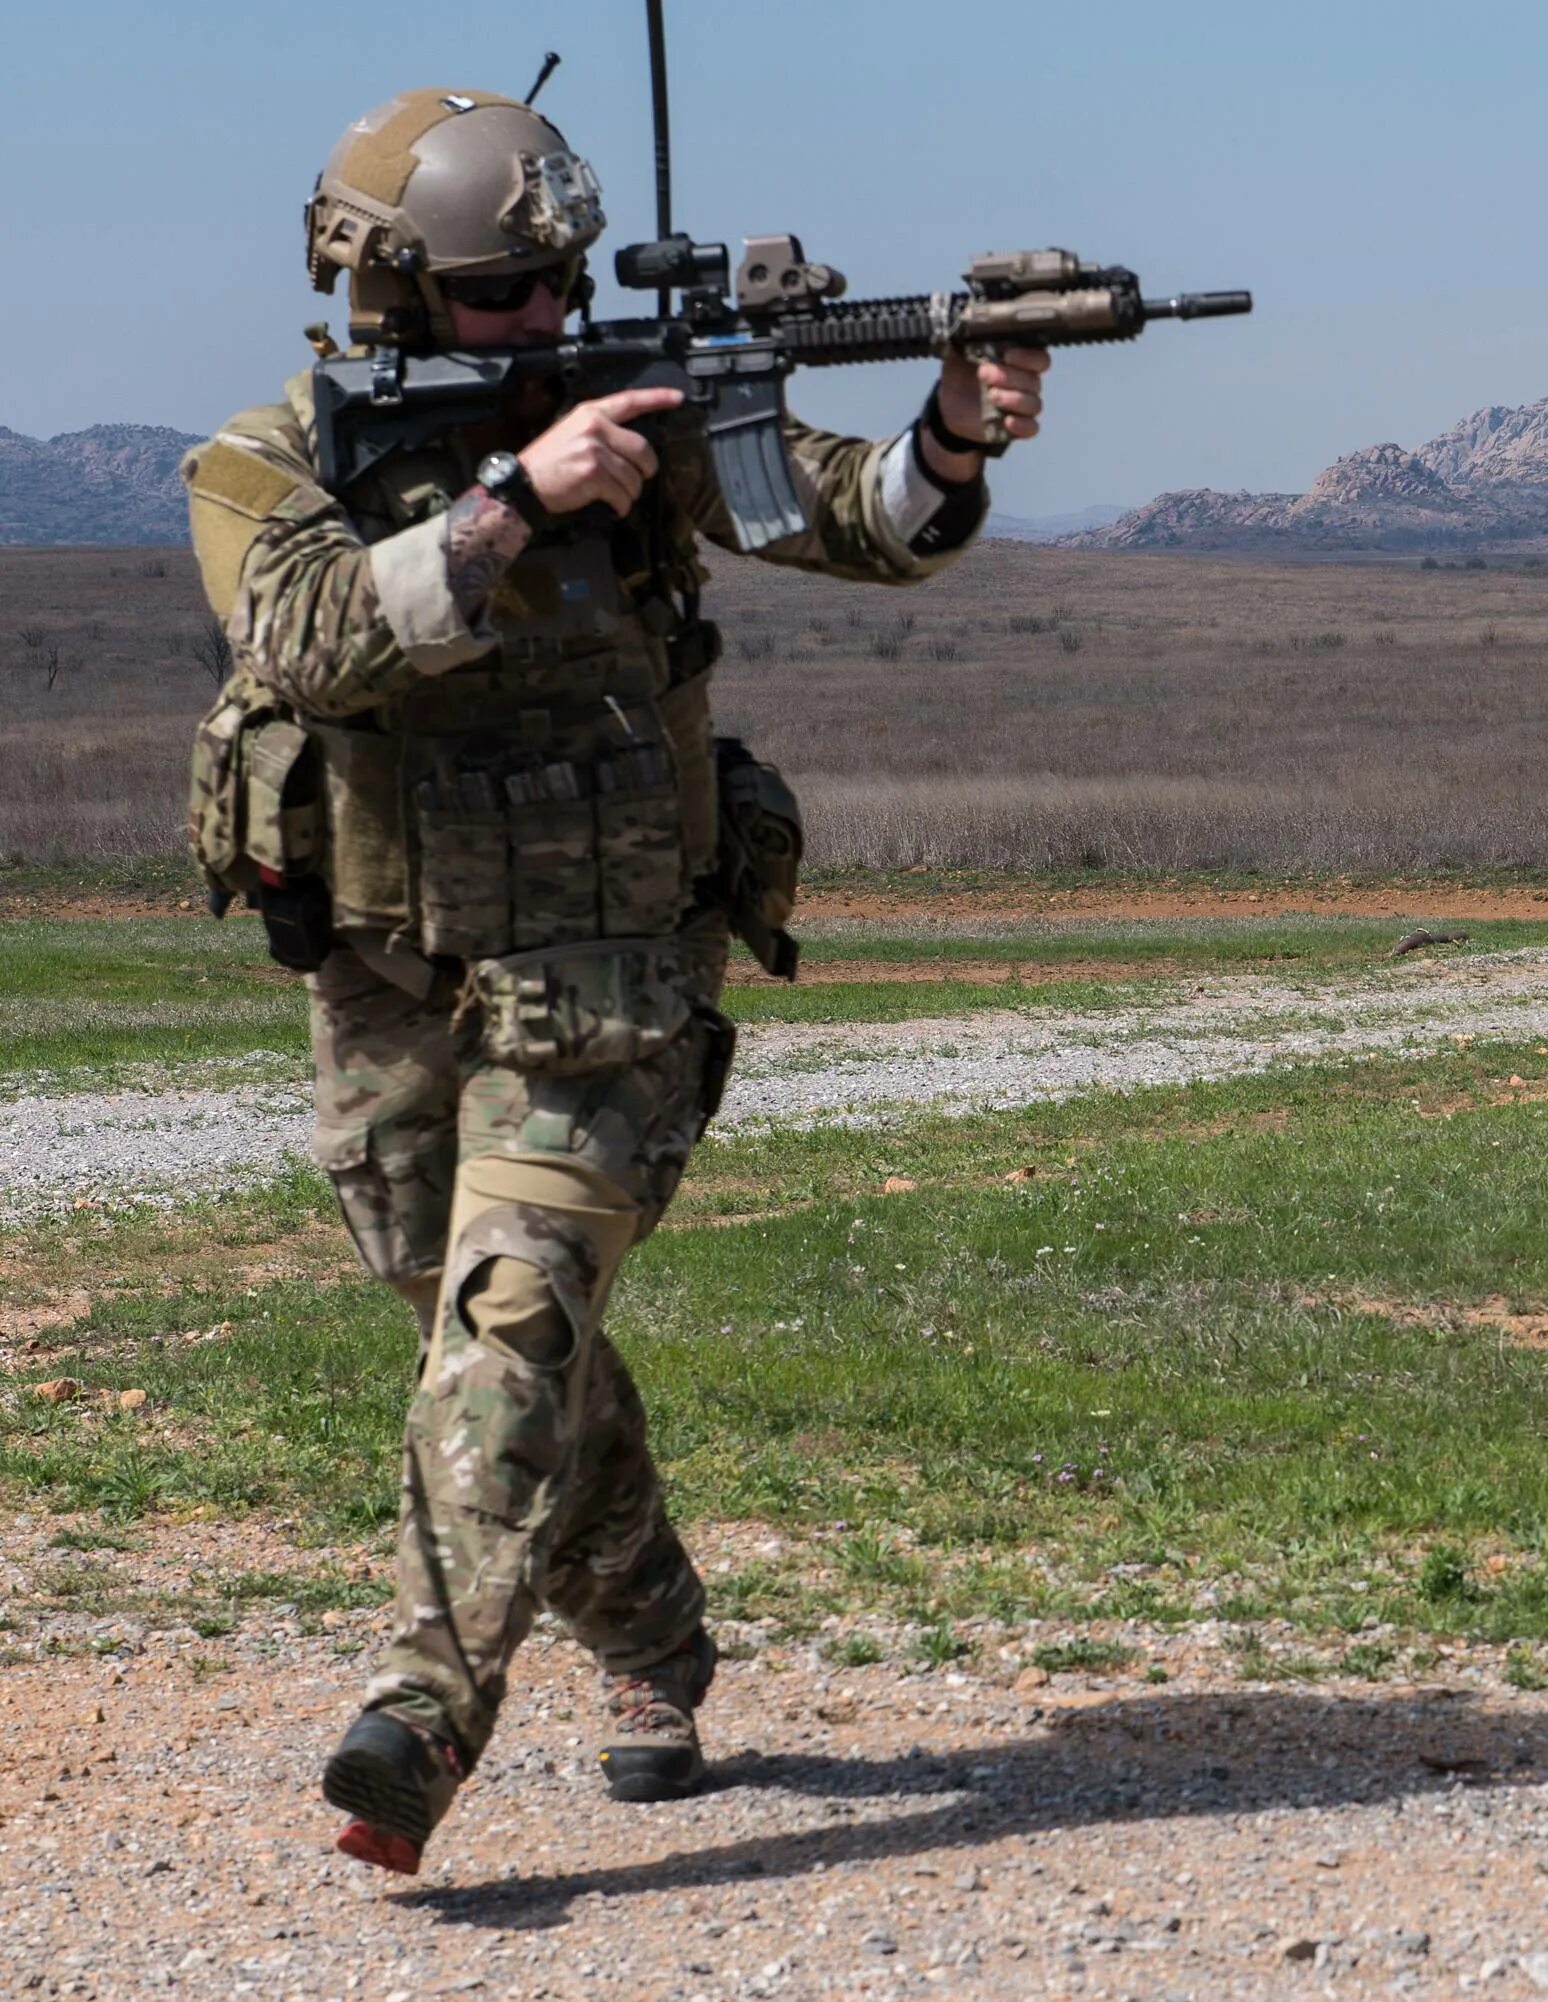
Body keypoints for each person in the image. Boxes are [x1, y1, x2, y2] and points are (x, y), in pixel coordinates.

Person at [179, 86, 1046, 1873]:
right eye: (508, 299)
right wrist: (512, 499)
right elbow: (315, 641)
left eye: (564, 290)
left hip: (608, 977)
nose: (552, 328)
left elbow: (850, 518)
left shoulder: (647, 424)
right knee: (501, 1346)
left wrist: (952, 435)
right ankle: (651, 1638)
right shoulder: (273, 457)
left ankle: (419, 1718)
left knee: (512, 1322)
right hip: (393, 976)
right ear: (394, 299)